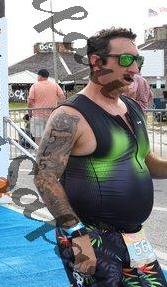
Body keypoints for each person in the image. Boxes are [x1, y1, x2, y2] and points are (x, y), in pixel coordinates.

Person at [34, 28, 167, 286]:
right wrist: (76, 235)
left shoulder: (132, 107)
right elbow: (44, 177)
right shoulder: (70, 116)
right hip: (91, 237)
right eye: (126, 60)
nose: (135, 68)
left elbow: (147, 161)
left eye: (137, 60)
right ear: (97, 62)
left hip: (133, 237)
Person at [28, 68, 65, 144]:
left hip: (38, 116)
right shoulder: (55, 85)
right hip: (52, 116)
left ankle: (38, 151)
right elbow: (62, 97)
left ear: (40, 76)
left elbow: (30, 101)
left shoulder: (35, 86)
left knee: (38, 138)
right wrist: (57, 108)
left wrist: (29, 113)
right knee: (51, 137)